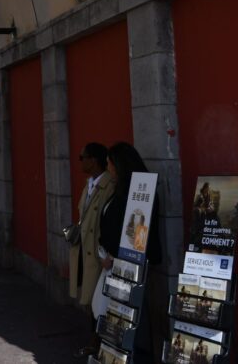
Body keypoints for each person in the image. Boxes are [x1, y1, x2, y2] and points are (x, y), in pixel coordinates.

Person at [96, 142, 162, 361]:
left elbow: (139, 235)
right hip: (113, 263)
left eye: (109, 164)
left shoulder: (139, 194)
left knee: (131, 321)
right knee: (112, 317)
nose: (107, 168)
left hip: (129, 267)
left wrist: (115, 256)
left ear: (119, 165)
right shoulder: (118, 190)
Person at [70, 142, 115, 358]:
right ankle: (95, 342)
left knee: (100, 301)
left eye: (83, 157)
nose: (80, 161)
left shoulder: (108, 186)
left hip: (100, 254)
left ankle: (98, 343)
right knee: (91, 300)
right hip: (85, 251)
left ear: (94, 160)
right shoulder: (89, 184)